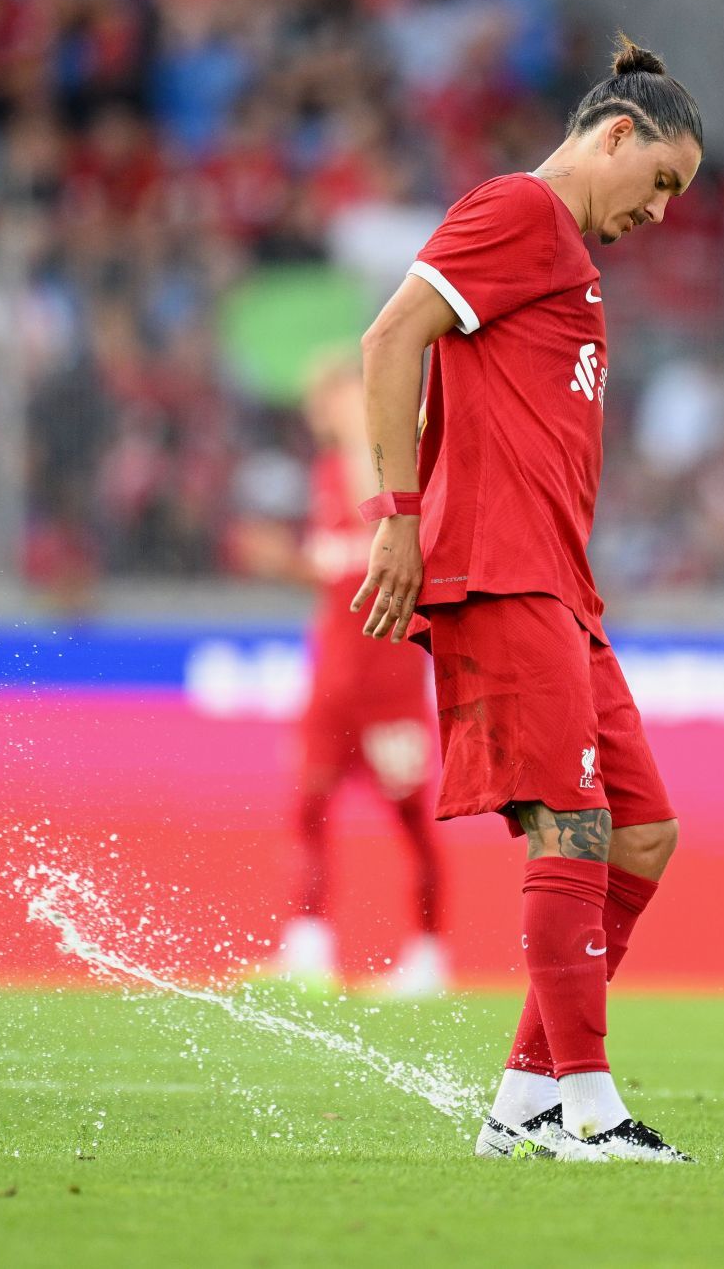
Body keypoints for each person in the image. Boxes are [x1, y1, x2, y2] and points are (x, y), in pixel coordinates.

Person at [352, 34, 702, 1162]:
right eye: (660, 182)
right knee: (576, 821)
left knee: (642, 832)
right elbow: (390, 337)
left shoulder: (563, 248)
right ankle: (590, 1109)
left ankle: (526, 1102)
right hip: (500, 570)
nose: (662, 211)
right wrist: (396, 516)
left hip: (562, 584)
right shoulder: (515, 210)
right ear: (615, 135)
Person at [271, 355, 447, 997]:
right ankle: (310, 943)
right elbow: (339, 571)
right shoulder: (322, 475)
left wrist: (358, 432)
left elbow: (385, 537)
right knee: (308, 805)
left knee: (410, 818)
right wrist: (281, 564)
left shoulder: (398, 475)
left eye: (330, 395)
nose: (318, 410)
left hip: (389, 684)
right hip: (332, 683)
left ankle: (429, 953)